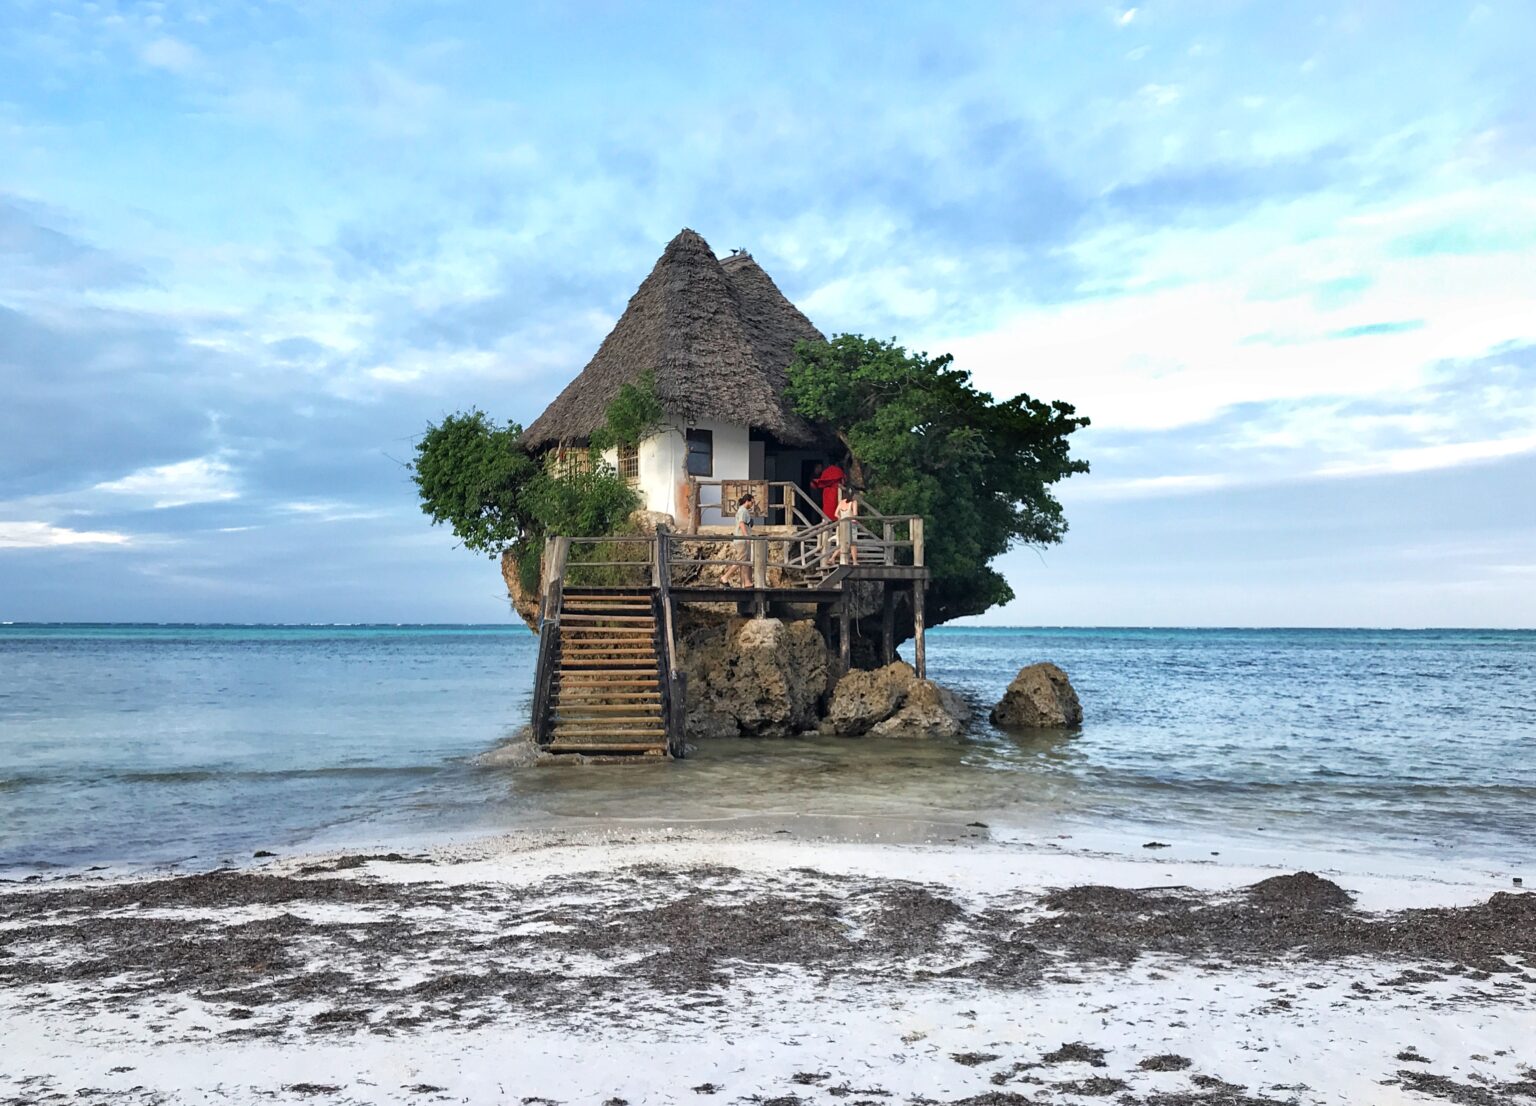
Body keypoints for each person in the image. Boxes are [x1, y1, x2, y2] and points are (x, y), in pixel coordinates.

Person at [728, 492, 755, 587]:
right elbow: (742, 523)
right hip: (742, 539)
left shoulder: (743, 511)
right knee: (741, 561)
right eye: (752, 502)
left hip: (742, 538)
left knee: (745, 561)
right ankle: (725, 577)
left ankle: (746, 582)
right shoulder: (743, 511)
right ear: (747, 501)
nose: (752, 504)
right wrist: (746, 536)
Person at [834, 484, 860, 566]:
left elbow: (836, 514)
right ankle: (855, 561)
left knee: (843, 543)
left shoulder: (841, 502)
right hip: (852, 524)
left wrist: (841, 519)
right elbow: (855, 514)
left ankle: (832, 558)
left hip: (842, 525)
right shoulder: (854, 502)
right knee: (853, 543)